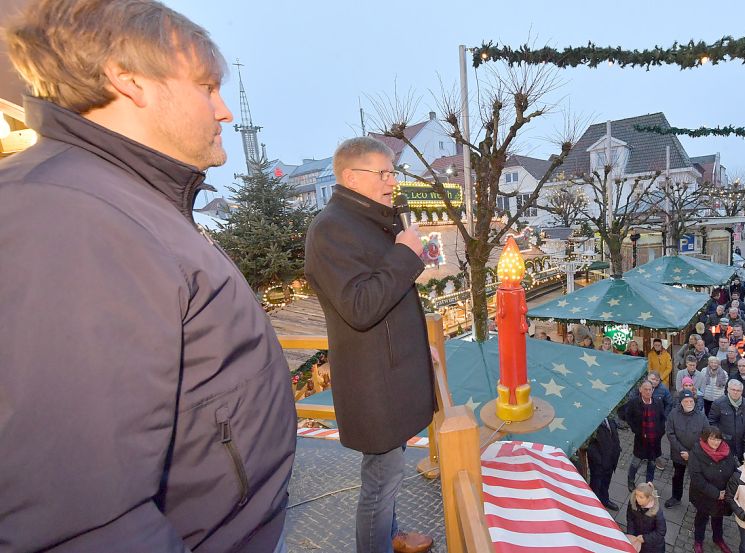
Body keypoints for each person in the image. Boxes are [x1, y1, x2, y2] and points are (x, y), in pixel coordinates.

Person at [0, 2, 297, 550]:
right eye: (208, 87)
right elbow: (82, 518)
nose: (224, 110)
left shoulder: (116, 198)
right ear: (129, 80)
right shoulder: (68, 215)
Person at [306, 136, 437, 553]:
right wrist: (404, 254)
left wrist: (419, 343)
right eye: (382, 173)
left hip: (391, 371)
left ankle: (391, 534)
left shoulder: (367, 222)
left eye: (392, 171)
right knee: (381, 482)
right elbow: (360, 306)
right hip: (375, 383)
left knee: (388, 474)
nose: (391, 181)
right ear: (350, 177)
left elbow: (390, 302)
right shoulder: (330, 230)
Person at [688, 427, 737, 553]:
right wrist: (716, 494)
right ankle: (698, 541)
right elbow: (696, 478)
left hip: (722, 493)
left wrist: (727, 491)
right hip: (704, 494)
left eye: (718, 439)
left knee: (718, 517)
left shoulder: (726, 450)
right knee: (701, 518)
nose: (716, 442)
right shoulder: (696, 452)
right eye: (712, 439)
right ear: (705, 438)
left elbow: (734, 470)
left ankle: (718, 539)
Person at [665, 390, 709, 508]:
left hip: (696, 455)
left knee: (696, 478)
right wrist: (681, 451)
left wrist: (692, 454)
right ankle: (676, 497)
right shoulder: (673, 414)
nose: (689, 403)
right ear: (681, 402)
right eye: (686, 401)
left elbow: (706, 436)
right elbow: (670, 434)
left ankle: (696, 501)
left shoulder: (701, 416)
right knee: (678, 476)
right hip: (678, 454)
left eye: (691, 401)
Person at [626, 381, 668, 488]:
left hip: (654, 440)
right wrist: (636, 430)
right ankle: (630, 479)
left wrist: (660, 432)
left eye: (650, 389)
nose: (648, 392)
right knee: (636, 462)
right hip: (641, 440)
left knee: (652, 463)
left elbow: (662, 418)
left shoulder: (657, 402)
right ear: (640, 389)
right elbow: (628, 417)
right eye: (646, 389)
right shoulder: (634, 403)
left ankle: (649, 483)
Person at [710, 379, 745, 458]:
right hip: (724, 443)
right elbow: (712, 423)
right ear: (728, 389)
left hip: (744, 443)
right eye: (733, 389)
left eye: (738, 390)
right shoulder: (718, 403)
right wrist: (720, 437)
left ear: (742, 391)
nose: (735, 392)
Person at [587, 416, 621, 511]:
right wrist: (599, 461)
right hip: (598, 464)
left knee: (606, 483)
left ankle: (605, 500)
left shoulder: (609, 420)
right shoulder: (592, 425)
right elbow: (588, 447)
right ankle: (595, 508)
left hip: (610, 461)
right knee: (596, 485)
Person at [625, 482, 668, 553]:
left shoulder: (657, 512)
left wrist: (645, 538)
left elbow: (661, 532)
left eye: (641, 497)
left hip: (652, 546)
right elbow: (630, 518)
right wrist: (631, 534)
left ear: (649, 498)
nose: (637, 499)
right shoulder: (633, 503)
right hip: (637, 538)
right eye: (636, 495)